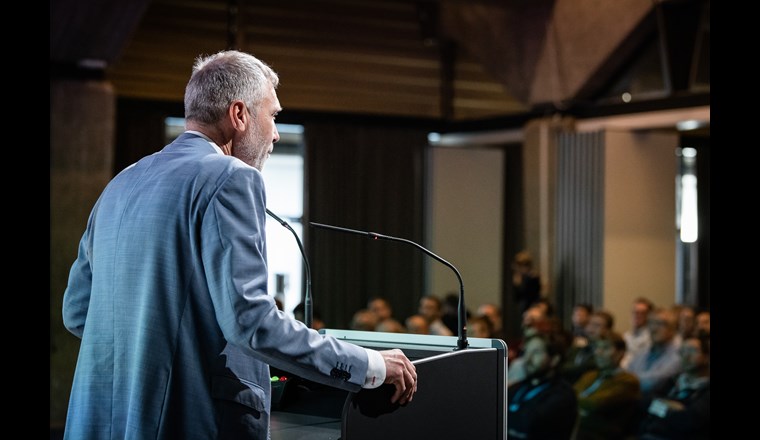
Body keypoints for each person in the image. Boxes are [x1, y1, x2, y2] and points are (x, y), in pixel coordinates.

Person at [61, 50, 417, 439]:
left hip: (94, 423)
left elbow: (78, 312)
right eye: (274, 115)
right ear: (240, 115)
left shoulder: (122, 182)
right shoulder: (230, 176)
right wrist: (370, 366)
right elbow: (251, 322)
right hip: (185, 422)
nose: (276, 133)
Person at [506, 329, 578, 439]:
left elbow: (531, 423)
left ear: (554, 359)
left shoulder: (562, 394)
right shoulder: (521, 385)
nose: (527, 359)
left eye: (536, 353)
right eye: (526, 352)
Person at [637, 333, 710, 440]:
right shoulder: (673, 380)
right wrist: (673, 407)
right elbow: (645, 401)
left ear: (706, 357)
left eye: (692, 351)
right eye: (683, 351)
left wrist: (659, 404)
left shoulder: (706, 388)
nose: (686, 356)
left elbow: (688, 420)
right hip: (650, 434)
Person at [573, 331, 641, 440]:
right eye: (597, 348)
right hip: (577, 424)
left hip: (599, 432)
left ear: (620, 353)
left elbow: (595, 404)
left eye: (605, 348)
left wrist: (572, 403)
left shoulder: (628, 381)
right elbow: (569, 396)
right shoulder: (590, 375)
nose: (598, 352)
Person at [511, 250, 542, 317]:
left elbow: (532, 293)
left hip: (533, 306)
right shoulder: (520, 277)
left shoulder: (533, 277)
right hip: (524, 306)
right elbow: (516, 297)